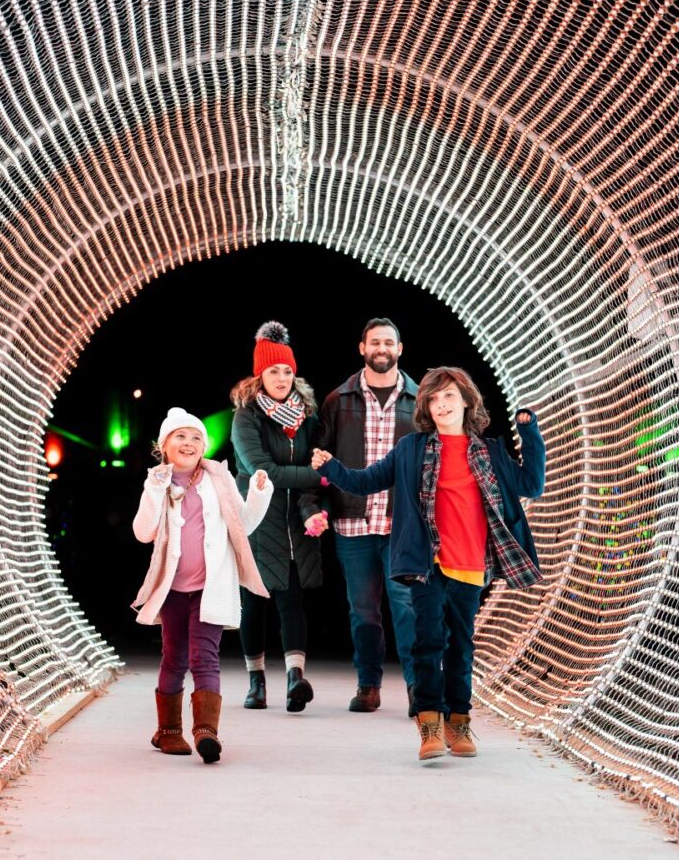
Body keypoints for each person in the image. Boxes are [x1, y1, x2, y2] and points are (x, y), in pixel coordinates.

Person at [313, 367, 546, 761]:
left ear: (467, 402)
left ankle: (459, 723)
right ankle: (429, 726)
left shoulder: (489, 452)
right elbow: (366, 482)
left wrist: (529, 434)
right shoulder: (413, 448)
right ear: (426, 407)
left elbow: (531, 485)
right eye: (434, 399)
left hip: (470, 563)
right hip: (426, 561)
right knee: (427, 643)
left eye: (449, 397)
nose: (442, 404)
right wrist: (331, 468)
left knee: (460, 647)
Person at [132, 407, 272, 763]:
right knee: (175, 657)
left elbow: (242, 526)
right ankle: (167, 730)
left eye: (196, 438)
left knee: (204, 656)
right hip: (173, 589)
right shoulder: (158, 482)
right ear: (164, 445)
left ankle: (206, 730)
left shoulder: (218, 480)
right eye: (180, 436)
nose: (189, 443)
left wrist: (258, 496)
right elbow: (143, 532)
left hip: (211, 587)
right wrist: (154, 488)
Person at [312, 318, 420, 714]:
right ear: (362, 348)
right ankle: (368, 686)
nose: (381, 348)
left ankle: (418, 689)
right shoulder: (337, 400)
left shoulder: (420, 399)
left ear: (399, 348)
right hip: (353, 524)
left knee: (407, 607)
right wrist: (319, 507)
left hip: (403, 525)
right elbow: (319, 461)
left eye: (388, 342)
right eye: (374, 342)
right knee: (363, 611)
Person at [230, 321, 329, 712]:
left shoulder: (306, 416)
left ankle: (295, 679)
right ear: (260, 375)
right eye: (274, 371)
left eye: (288, 371)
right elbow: (263, 471)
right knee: (254, 604)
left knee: (292, 601)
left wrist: (313, 508)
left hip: (293, 524)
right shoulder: (246, 417)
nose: (282, 378)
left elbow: (308, 476)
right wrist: (322, 474)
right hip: (255, 523)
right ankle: (256, 682)